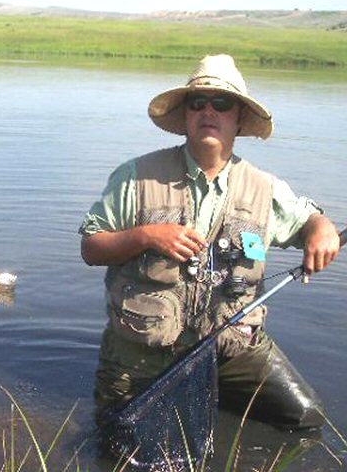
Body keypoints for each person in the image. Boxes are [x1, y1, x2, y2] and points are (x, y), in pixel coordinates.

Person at [79, 54, 340, 432]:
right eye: (197, 102)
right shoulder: (135, 176)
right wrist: (145, 235)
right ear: (185, 115)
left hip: (232, 351)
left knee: (305, 416)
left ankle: (212, 390)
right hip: (141, 354)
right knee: (118, 438)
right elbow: (91, 247)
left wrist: (322, 227)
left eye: (222, 103)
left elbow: (310, 222)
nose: (208, 111)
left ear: (239, 118)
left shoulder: (265, 188)